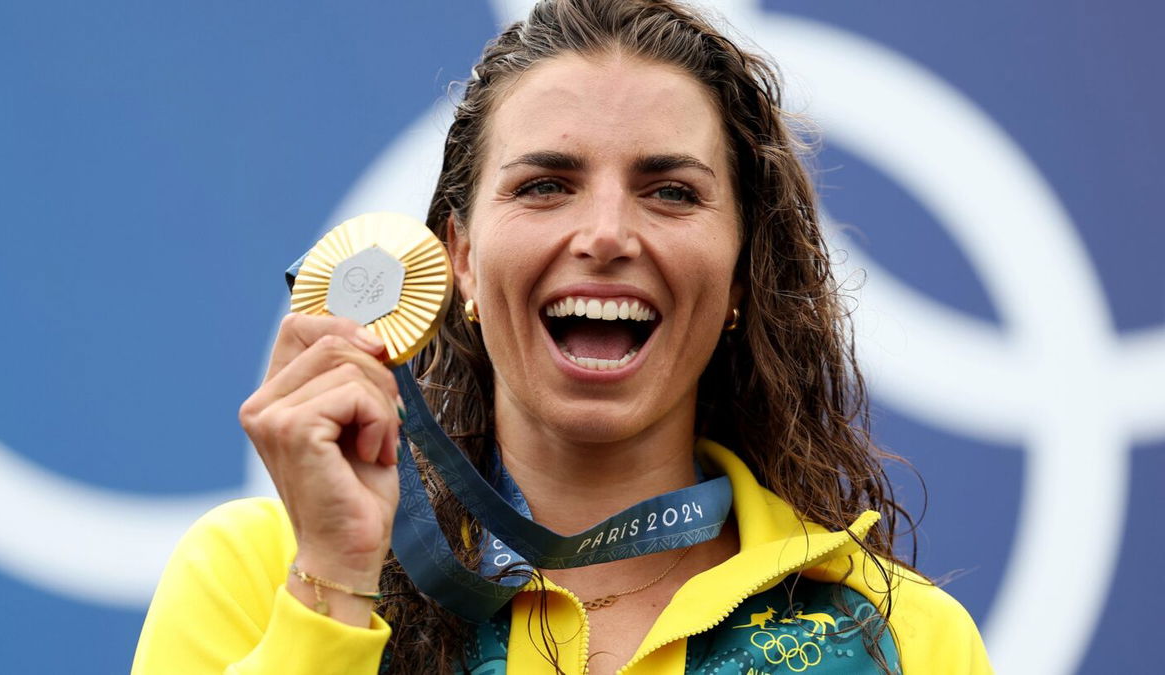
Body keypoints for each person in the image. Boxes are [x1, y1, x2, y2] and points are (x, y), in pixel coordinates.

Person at [132, 1, 991, 673]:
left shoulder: (899, 640)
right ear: (458, 259)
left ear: (740, 274)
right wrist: (335, 581)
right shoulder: (253, 574)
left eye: (672, 192)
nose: (608, 234)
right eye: (546, 185)